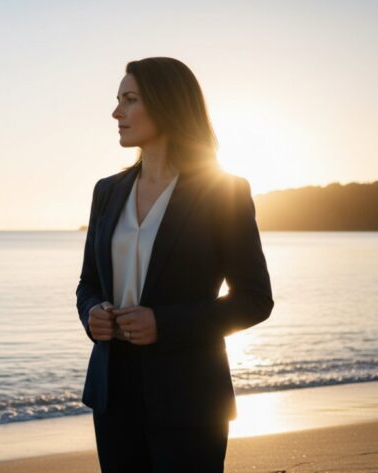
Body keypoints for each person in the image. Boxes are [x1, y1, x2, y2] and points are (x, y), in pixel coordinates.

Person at [75, 57, 274, 472]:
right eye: (118, 101)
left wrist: (163, 324)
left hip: (190, 397)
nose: (116, 113)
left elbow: (255, 300)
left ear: (167, 104)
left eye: (129, 100)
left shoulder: (224, 191)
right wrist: (92, 313)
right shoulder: (107, 192)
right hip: (113, 394)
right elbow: (88, 283)